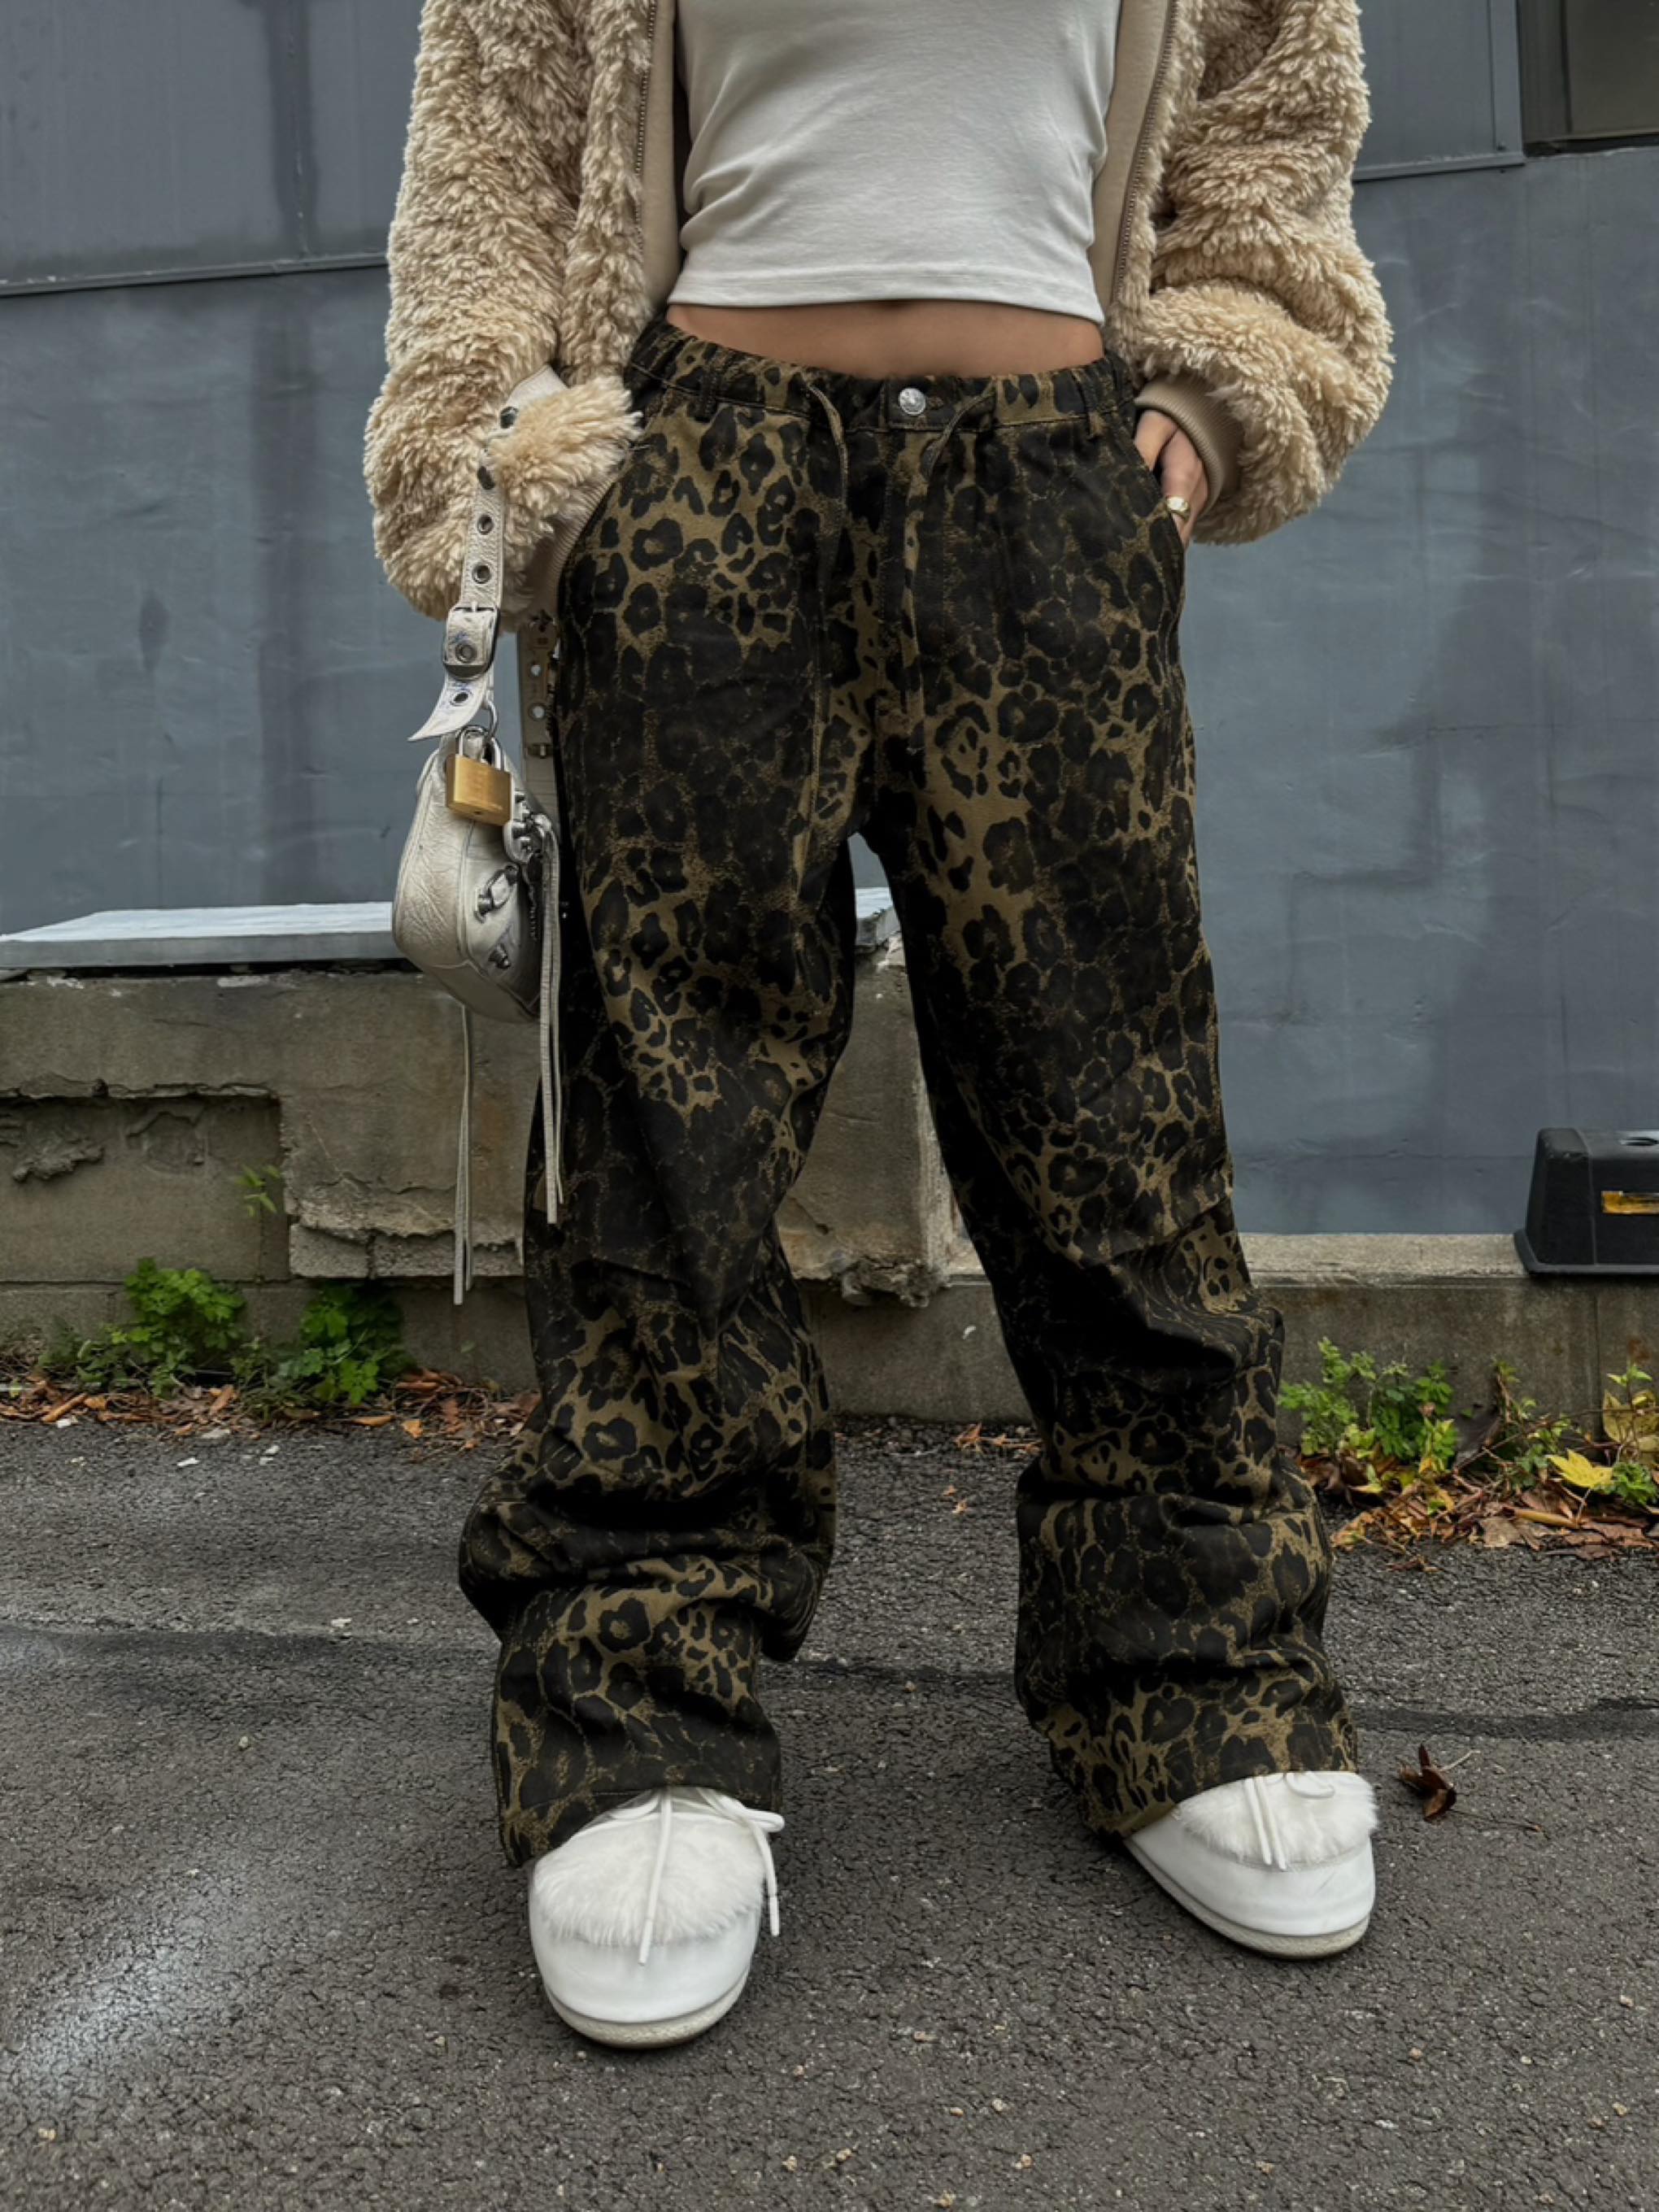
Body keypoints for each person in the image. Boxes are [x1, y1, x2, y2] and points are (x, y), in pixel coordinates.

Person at [364, 0, 1395, 2049]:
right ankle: (636, 1707)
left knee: (1117, 1105)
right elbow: (497, 134)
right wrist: (501, 451)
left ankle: (1194, 1672)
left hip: (1054, 486)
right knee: (666, 1120)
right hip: (700, 477)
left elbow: (1274, 106)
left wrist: (1220, 382)